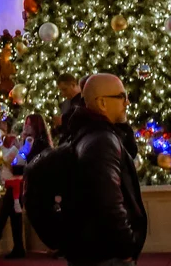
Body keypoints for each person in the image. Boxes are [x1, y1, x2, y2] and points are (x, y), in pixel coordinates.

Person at [57, 73, 147, 266]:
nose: (127, 102)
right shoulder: (102, 141)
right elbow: (109, 202)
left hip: (94, 250)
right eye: (121, 96)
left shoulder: (87, 132)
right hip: (106, 254)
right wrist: (126, 248)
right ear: (102, 103)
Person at [0, 112, 48, 258]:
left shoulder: (38, 143)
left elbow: (27, 164)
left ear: (36, 126)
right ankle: (11, 241)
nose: (26, 126)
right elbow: (19, 162)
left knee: (11, 201)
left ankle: (0, 232)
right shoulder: (26, 141)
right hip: (23, 181)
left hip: (34, 184)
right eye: (26, 123)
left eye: (29, 124)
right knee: (12, 204)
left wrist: (16, 163)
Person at [55, 73, 83, 138]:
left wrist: (62, 121)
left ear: (73, 85)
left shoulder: (84, 100)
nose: (63, 94)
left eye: (65, 89)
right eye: (61, 91)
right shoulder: (66, 104)